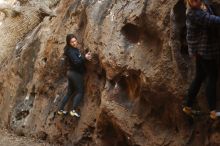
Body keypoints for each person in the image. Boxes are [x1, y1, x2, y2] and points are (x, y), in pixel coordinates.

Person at [182, 0, 220, 120]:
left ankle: (187, 106)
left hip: (200, 51)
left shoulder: (203, 5)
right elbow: (211, 20)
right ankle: (213, 112)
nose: (195, 1)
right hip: (205, 51)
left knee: (199, 77)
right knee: (212, 77)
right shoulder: (194, 13)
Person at [58, 34, 92, 117]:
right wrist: (85, 57)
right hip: (75, 74)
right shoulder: (71, 51)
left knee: (70, 92)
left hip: (70, 73)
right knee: (80, 92)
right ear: (69, 43)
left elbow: (77, 59)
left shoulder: (72, 49)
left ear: (77, 40)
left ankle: (60, 110)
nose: (74, 43)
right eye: (72, 42)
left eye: (75, 41)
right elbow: (77, 62)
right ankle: (73, 110)